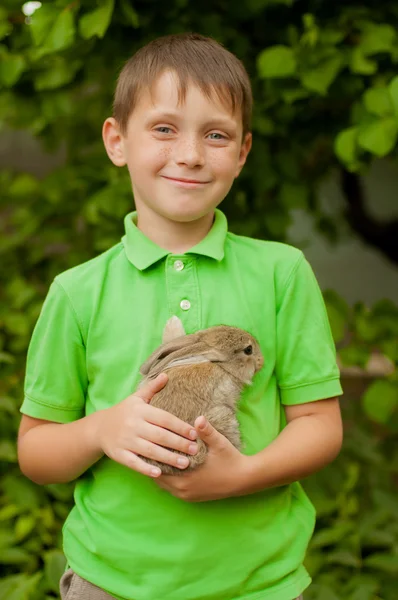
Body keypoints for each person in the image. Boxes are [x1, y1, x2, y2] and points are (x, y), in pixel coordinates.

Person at [17, 33, 343, 600]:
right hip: (111, 582)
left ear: (242, 153)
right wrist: (102, 428)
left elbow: (320, 426)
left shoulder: (282, 272)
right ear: (117, 141)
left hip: (258, 584)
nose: (190, 154)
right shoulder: (76, 292)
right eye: (164, 128)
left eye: (215, 135)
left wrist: (239, 476)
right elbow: (36, 452)